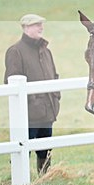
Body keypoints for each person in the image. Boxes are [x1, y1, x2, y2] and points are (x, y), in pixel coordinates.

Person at [4, 14, 60, 175]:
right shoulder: (15, 51)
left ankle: (44, 179)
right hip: (27, 114)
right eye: (36, 25)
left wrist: (56, 97)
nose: (41, 27)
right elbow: (11, 82)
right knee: (22, 149)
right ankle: (19, 181)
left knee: (45, 150)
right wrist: (32, 103)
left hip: (48, 111)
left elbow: (54, 76)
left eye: (41, 24)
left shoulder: (46, 51)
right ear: (25, 28)